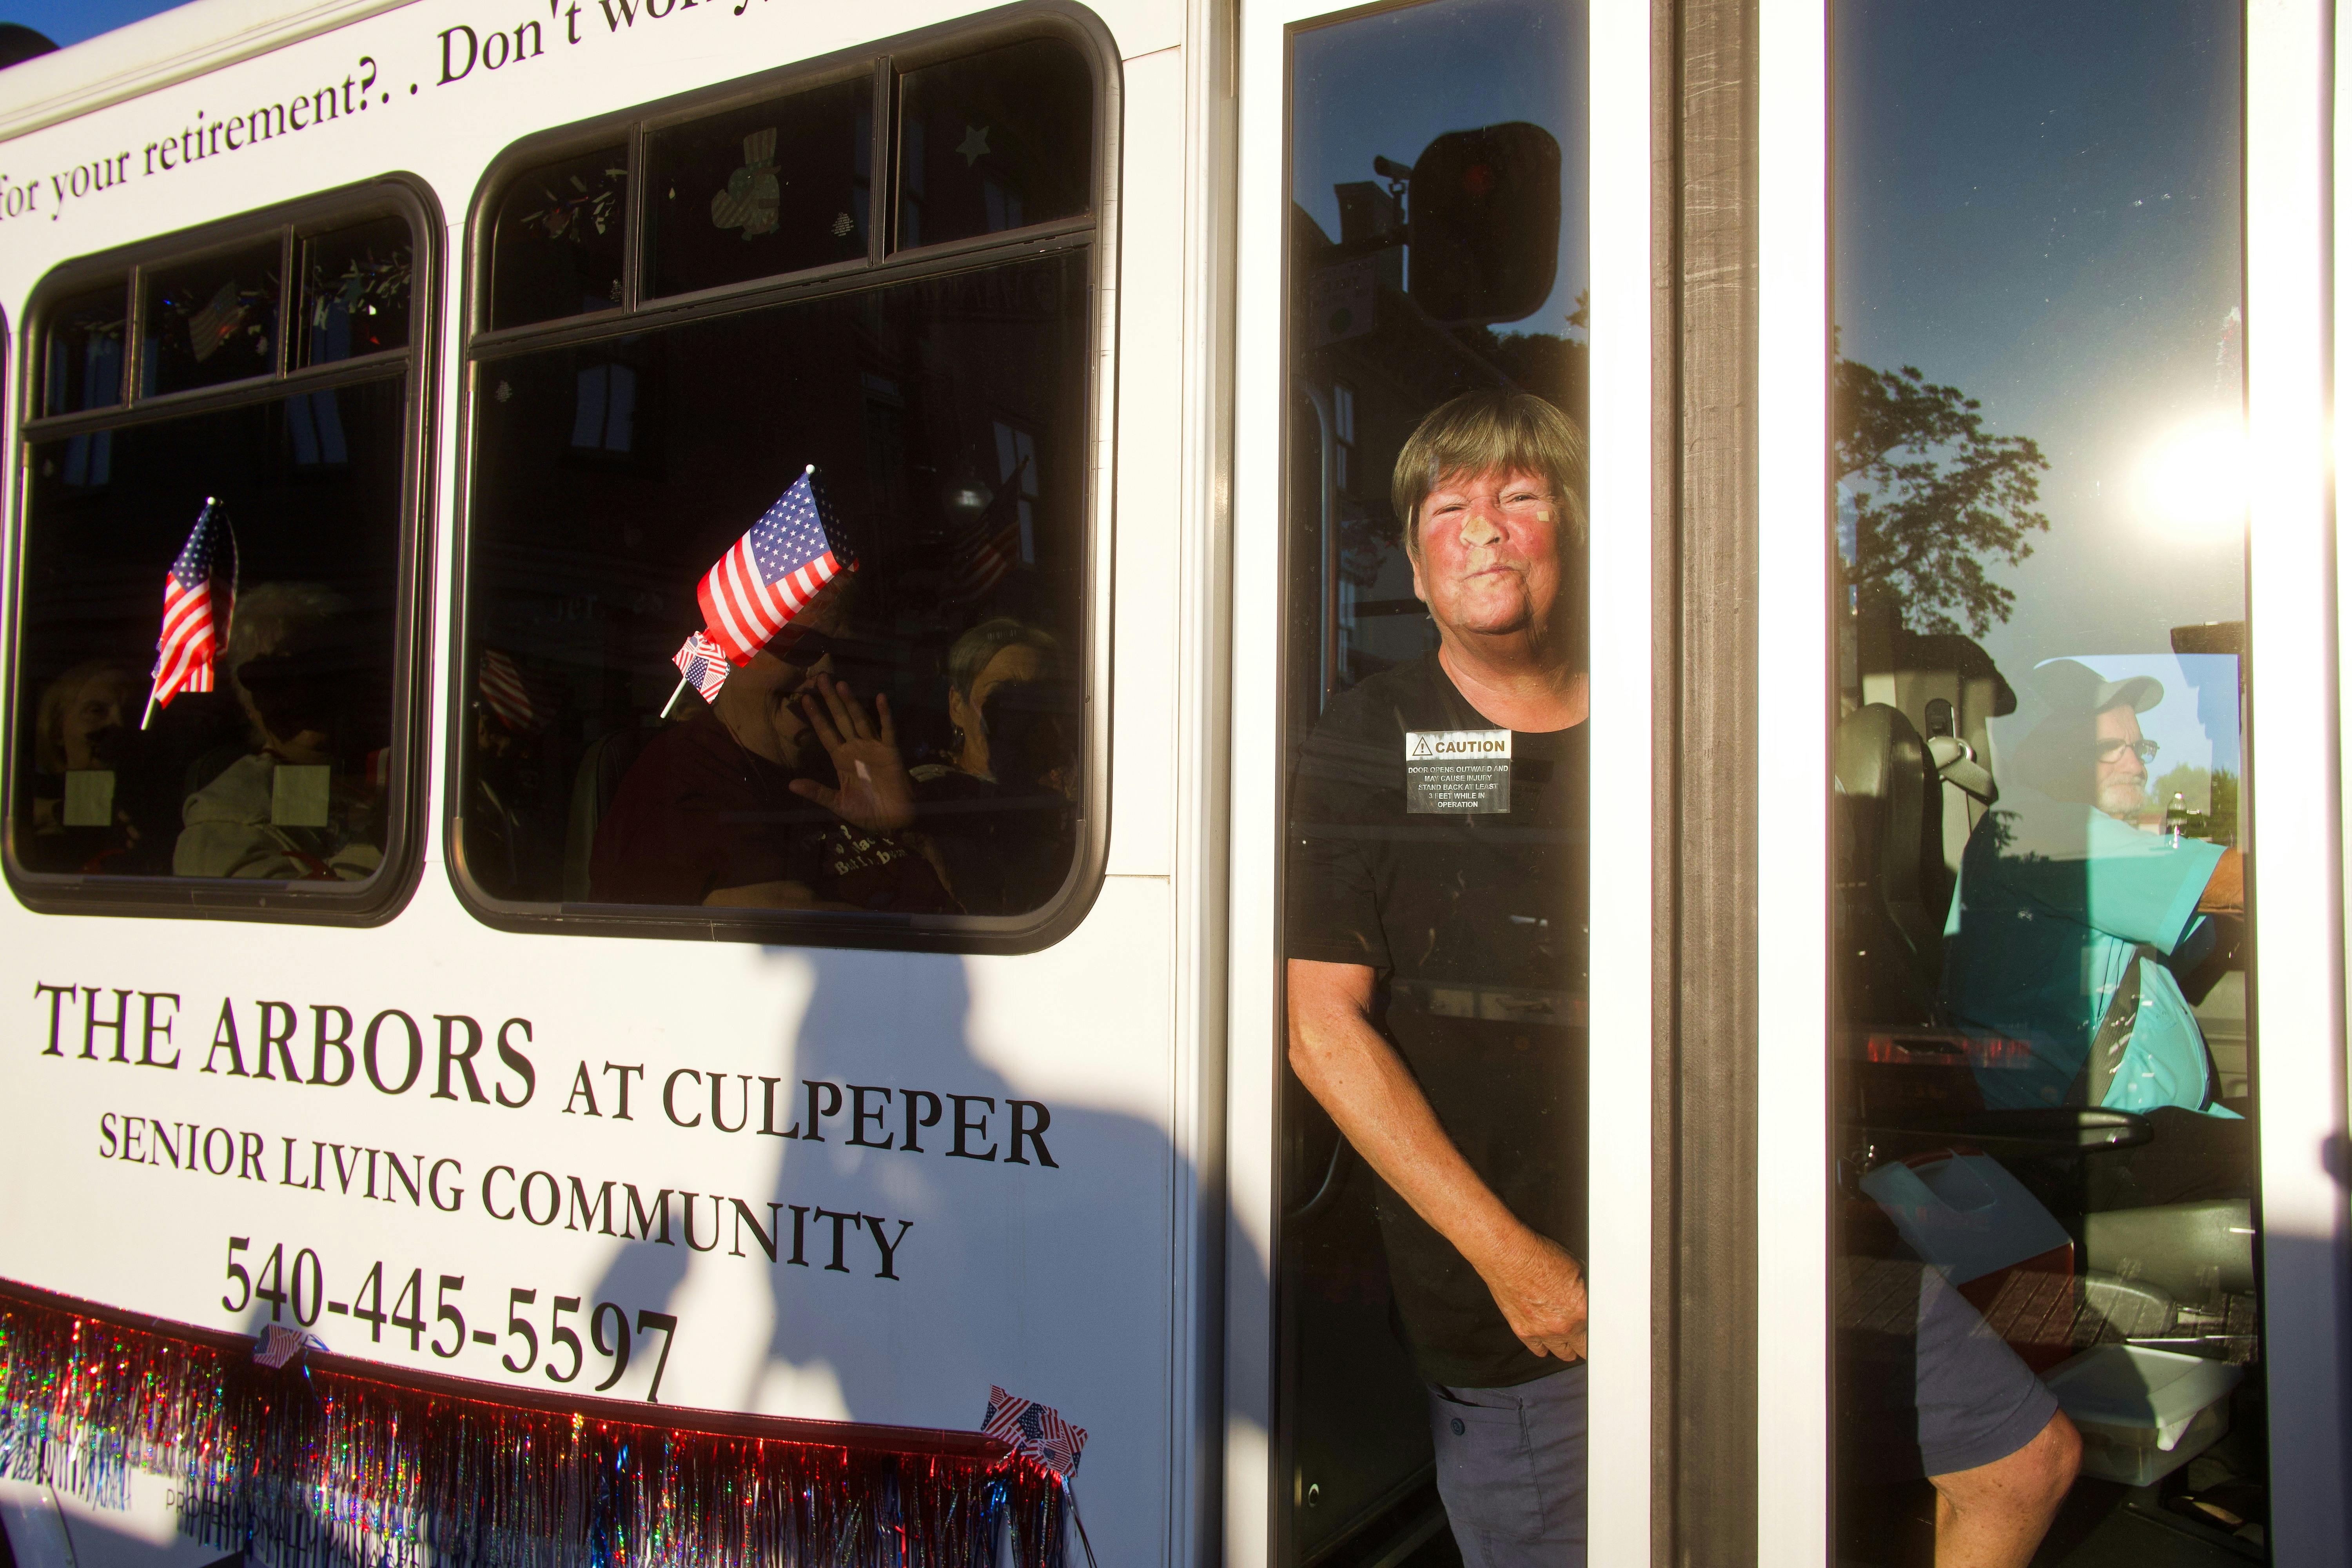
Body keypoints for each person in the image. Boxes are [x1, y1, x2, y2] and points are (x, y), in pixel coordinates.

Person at [1285, 390, 1593, 1565]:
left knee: (2014, 1446)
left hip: (1710, 1243)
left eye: (1519, 495)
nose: (1482, 525)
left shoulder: (1679, 710)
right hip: (1522, 1308)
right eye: (1446, 504)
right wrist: (1514, 1262)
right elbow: (1320, 1028)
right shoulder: (1373, 739)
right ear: (1412, 570)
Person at [1942, 658, 2248, 1204]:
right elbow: (2236, 884)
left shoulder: (2060, 833)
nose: (2137, 765)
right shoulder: (2040, 831)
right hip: (2096, 1149)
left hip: (2140, 1130)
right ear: (2053, 753)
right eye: (2112, 748)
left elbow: (2206, 929)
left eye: (2141, 747)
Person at [588, 577, 956, 912]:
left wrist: (911, 833)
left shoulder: (850, 764)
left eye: (841, 653)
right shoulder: (678, 775)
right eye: (800, 647)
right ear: (733, 653)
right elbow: (791, 931)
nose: (825, 670)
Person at [174, 583, 387, 881]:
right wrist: (385, 840)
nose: (300, 694)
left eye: (318, 670)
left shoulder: (396, 775)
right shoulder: (225, 819)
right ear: (247, 702)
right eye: (272, 679)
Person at [909, 618, 1076, 915]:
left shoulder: (1079, 791)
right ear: (958, 707)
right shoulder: (929, 797)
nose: (1021, 711)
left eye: (1037, 695)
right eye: (1003, 694)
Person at [22, 661, 144, 873]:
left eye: (130, 712)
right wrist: (59, 813)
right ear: (58, 730)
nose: (119, 724)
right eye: (96, 711)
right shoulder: (24, 788)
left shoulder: (150, 795)